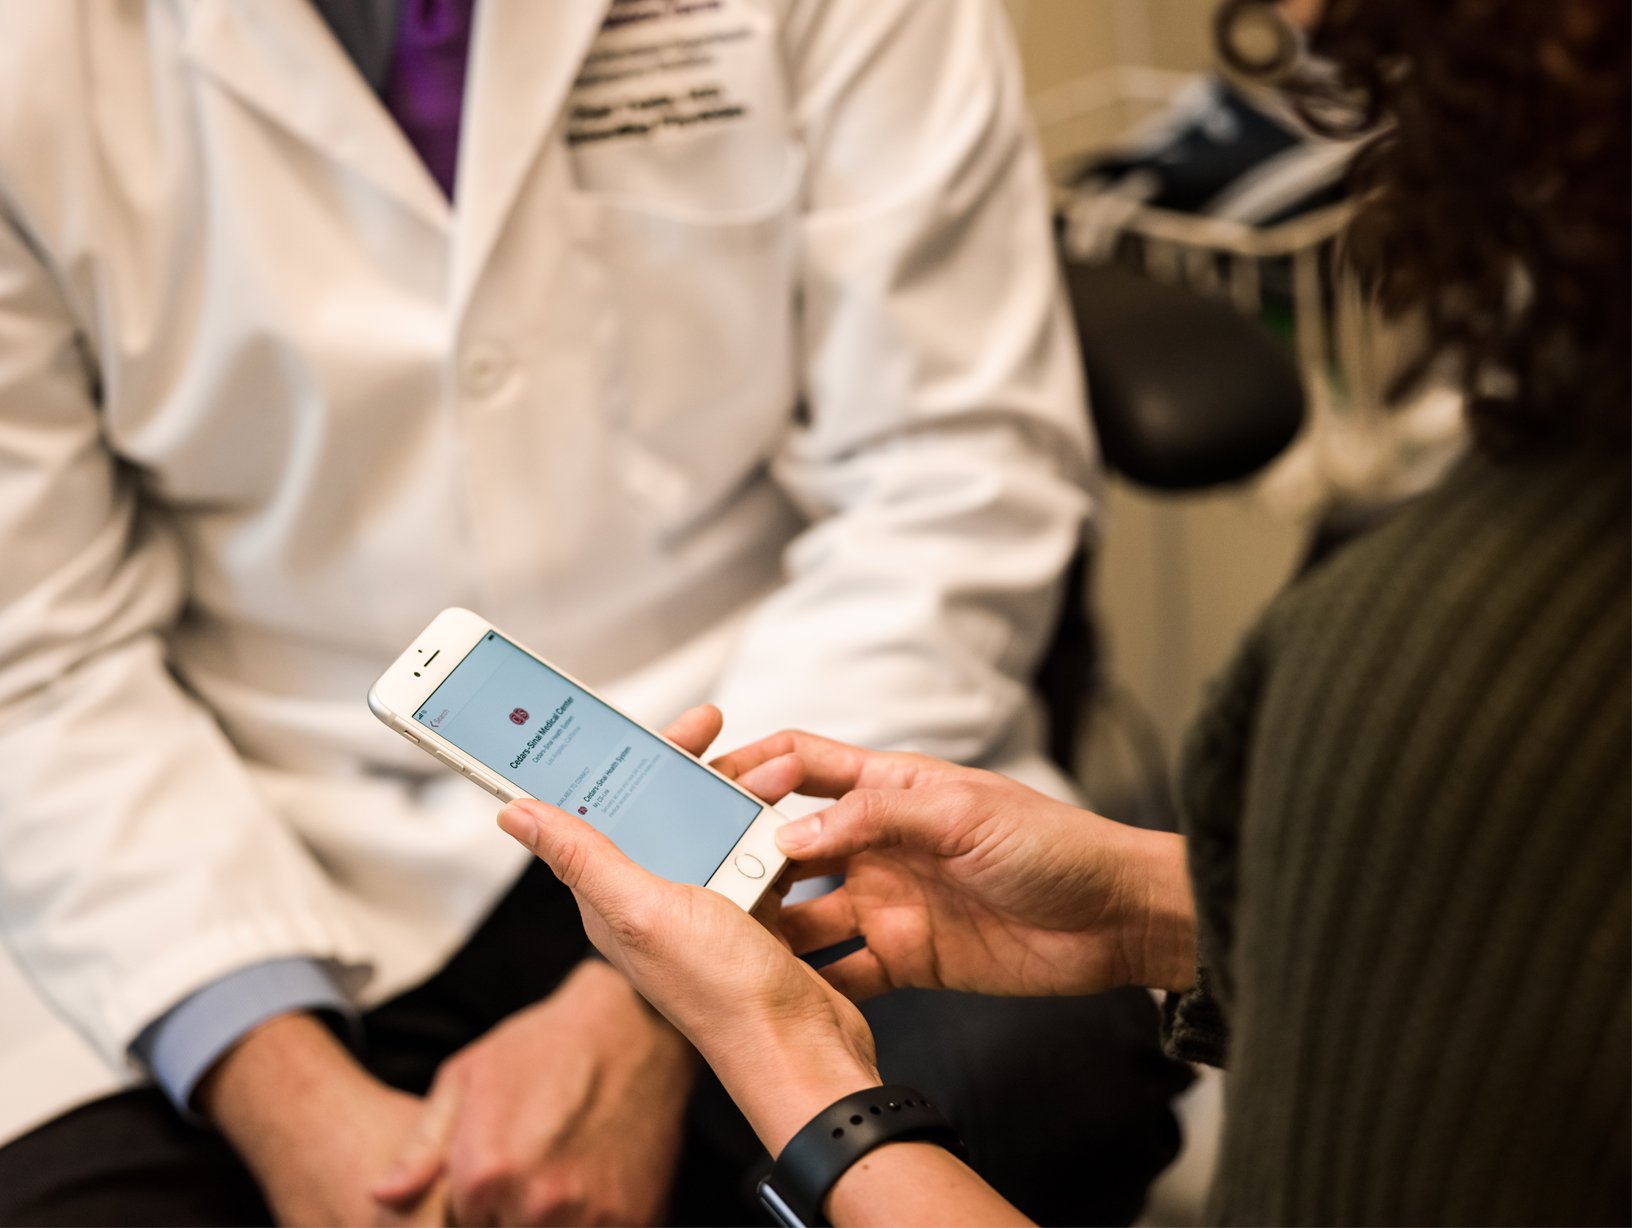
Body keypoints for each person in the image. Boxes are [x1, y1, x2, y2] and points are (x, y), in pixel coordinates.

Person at [0, 2, 1191, 1224]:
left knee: (1029, 1105)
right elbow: (34, 645)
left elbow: (953, 473)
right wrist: (282, 1088)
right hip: (250, 817)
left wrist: (660, 990)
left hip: (753, 753)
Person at [476, 0, 1632, 1222]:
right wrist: (1155, 905)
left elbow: (955, 468)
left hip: (785, 774)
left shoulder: (1454, 684)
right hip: (322, 842)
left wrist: (790, 1063)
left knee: (1027, 1087)